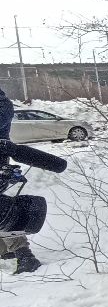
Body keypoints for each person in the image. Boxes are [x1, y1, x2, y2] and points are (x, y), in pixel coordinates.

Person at [0, 87, 42, 274]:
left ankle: (25, 255)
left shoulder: (2, 104)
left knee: (3, 211)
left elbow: (3, 117)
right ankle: (6, 251)